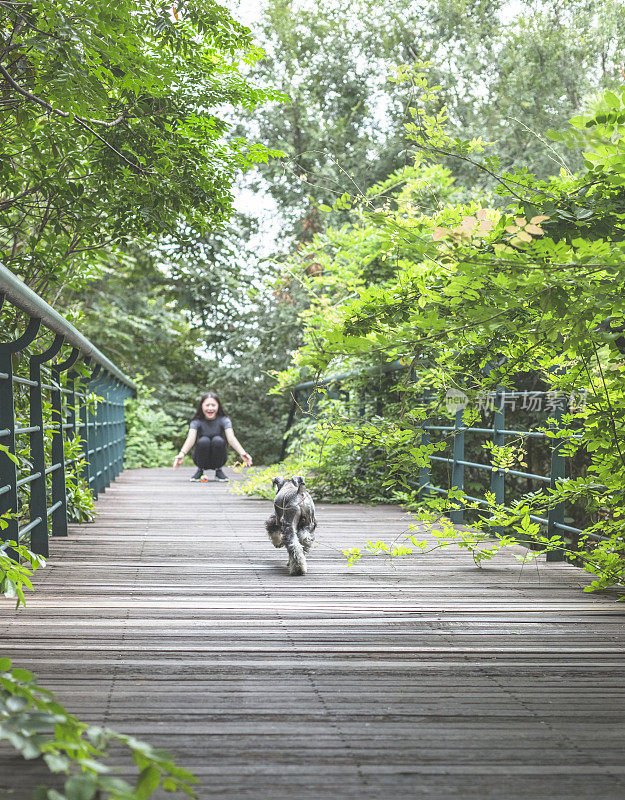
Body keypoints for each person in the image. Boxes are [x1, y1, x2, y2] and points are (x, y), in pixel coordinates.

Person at [173, 391, 252, 482]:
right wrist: (182, 454)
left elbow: (231, 438)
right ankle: (200, 470)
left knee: (218, 440)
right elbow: (191, 438)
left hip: (219, 458)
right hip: (200, 458)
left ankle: (219, 470)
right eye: (207, 405)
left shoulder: (224, 420)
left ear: (218, 406)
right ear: (202, 406)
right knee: (204, 441)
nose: (210, 408)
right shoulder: (196, 421)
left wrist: (242, 453)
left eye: (213, 405)